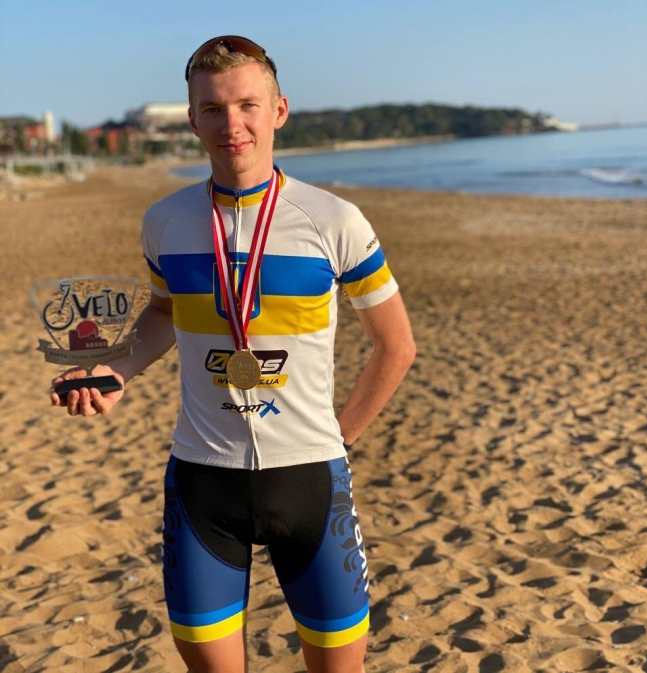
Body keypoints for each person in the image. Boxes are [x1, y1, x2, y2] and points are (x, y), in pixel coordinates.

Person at [52, 35, 416, 673]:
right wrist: (117, 368)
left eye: (248, 105)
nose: (232, 124)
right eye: (213, 109)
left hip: (311, 482)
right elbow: (164, 312)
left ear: (279, 110)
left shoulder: (335, 221)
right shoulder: (165, 222)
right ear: (193, 120)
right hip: (202, 482)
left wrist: (340, 438)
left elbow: (396, 345)